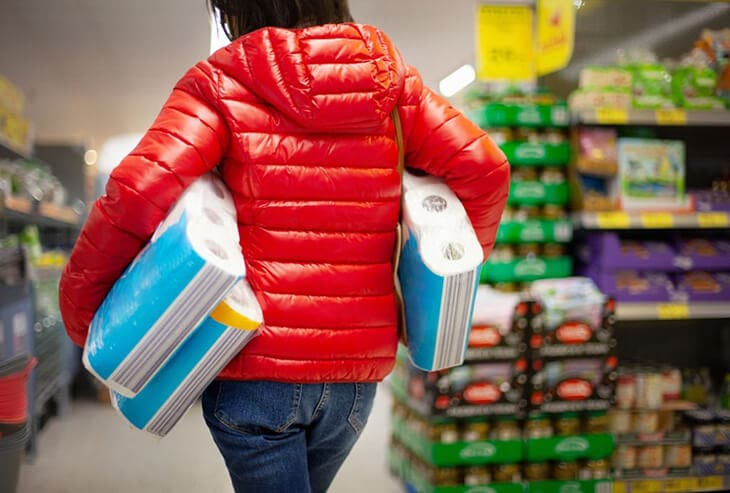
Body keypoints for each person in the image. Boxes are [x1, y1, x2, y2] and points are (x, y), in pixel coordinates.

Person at [58, 0, 510, 491]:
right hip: (353, 377)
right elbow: (484, 168)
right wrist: (447, 277)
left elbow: (138, 190)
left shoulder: (221, 83)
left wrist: (87, 317)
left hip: (254, 366)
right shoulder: (394, 87)